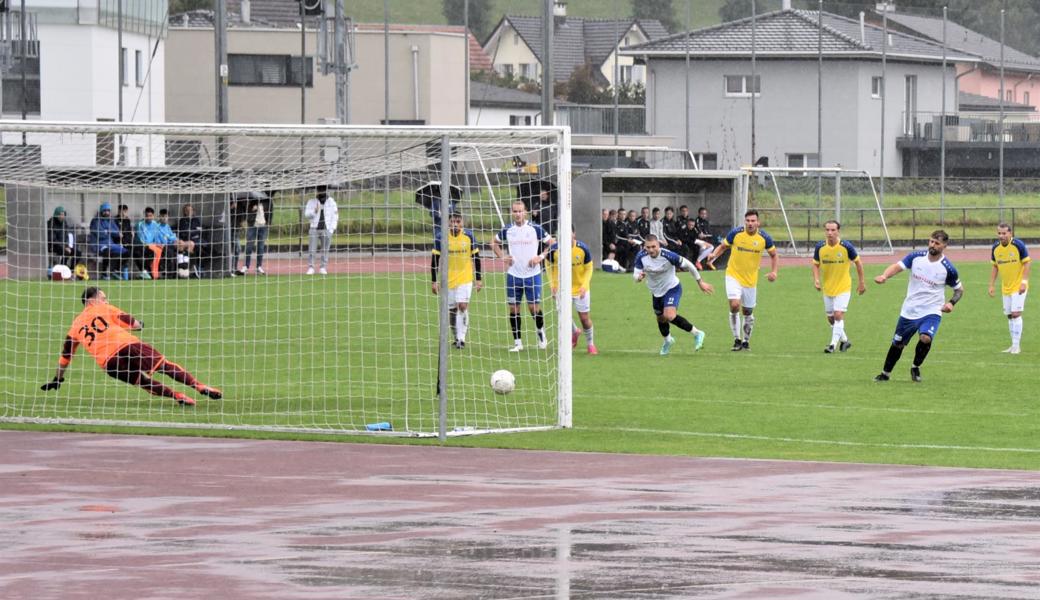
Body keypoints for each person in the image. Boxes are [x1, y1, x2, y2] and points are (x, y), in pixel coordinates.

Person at [40, 287, 222, 406]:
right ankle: (199, 386)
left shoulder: (75, 326)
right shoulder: (104, 308)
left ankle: (177, 396)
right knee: (165, 366)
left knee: (142, 382)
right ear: (92, 301)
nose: (105, 300)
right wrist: (139, 324)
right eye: (103, 298)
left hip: (108, 363)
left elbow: (65, 357)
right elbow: (130, 322)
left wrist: (58, 379)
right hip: (127, 345)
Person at [873, 230, 963, 383]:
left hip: (932, 310)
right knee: (898, 344)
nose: (932, 245)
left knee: (926, 337)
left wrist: (951, 303)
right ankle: (885, 373)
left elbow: (959, 290)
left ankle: (915, 367)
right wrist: (884, 276)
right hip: (910, 310)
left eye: (937, 243)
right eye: (931, 241)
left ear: (944, 246)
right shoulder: (916, 257)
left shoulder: (948, 268)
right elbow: (897, 266)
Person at [706, 209, 778, 352]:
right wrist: (713, 255)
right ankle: (737, 339)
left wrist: (774, 272)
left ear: (758, 222)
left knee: (748, 311)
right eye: (748, 221)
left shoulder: (764, 238)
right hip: (733, 275)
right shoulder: (736, 233)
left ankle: (746, 341)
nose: (750, 223)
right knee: (734, 305)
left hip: (750, 280)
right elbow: (723, 246)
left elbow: (774, 255)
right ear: (744, 221)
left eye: (753, 221)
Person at [633, 235, 714, 355]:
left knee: (669, 315)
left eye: (653, 246)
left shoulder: (669, 256)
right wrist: (638, 278)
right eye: (648, 247)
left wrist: (700, 282)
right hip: (656, 292)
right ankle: (668, 341)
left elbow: (689, 265)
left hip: (672, 288)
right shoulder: (641, 256)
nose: (651, 250)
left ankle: (697, 333)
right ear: (644, 247)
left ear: (658, 245)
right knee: (661, 318)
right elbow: (635, 276)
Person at [491, 200, 554, 352]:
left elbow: (552, 243)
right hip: (514, 275)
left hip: (533, 275)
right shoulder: (508, 229)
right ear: (511, 213)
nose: (518, 214)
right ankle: (518, 343)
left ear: (525, 212)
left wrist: (540, 257)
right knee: (514, 309)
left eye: (520, 211)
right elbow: (493, 243)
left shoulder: (535, 228)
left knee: (533, 308)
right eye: (515, 211)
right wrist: (503, 257)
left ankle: (540, 333)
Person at [812, 220, 866, 353]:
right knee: (831, 319)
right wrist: (817, 280)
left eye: (833, 230)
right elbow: (815, 264)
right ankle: (845, 341)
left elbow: (858, 263)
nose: (830, 233)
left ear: (838, 231)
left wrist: (861, 282)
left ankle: (832, 345)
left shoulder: (846, 246)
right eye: (827, 230)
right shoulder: (820, 247)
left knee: (837, 315)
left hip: (843, 287)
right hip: (828, 288)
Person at [431, 213, 483, 349]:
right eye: (453, 221)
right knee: (452, 311)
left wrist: (478, 279)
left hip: (465, 278)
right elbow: (435, 260)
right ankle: (456, 336)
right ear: (448, 223)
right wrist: (434, 281)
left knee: (462, 306)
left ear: (462, 223)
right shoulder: (441, 237)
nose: (455, 224)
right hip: (447, 279)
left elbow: (476, 258)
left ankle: (462, 338)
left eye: (458, 221)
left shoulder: (469, 236)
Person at [546, 228, 597, 355]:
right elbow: (548, 265)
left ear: (574, 234)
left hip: (580, 289)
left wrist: (584, 285)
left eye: (569, 233)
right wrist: (553, 284)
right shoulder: (554, 249)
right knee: (563, 316)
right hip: (562, 289)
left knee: (584, 319)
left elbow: (589, 268)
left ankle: (590, 344)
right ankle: (574, 331)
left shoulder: (582, 248)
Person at [987, 223, 1030, 354]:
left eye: (1004, 233)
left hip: (1018, 286)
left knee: (1016, 314)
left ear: (1010, 233)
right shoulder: (995, 247)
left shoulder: (1018, 245)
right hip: (1006, 286)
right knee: (1010, 315)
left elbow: (1027, 263)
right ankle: (1013, 345)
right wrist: (991, 284)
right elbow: (995, 266)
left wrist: (1024, 282)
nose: (1002, 236)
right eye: (999, 233)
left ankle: (1017, 346)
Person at [88, 202, 128, 280]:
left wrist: (108, 231)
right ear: (101, 211)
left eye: (108, 211)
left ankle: (115, 270)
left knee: (126, 252)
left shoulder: (111, 220)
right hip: (98, 245)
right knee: (107, 251)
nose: (107, 212)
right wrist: (111, 232)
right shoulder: (95, 221)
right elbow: (101, 234)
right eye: (105, 210)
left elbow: (118, 232)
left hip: (110, 244)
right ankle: (104, 274)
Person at [304, 185, 338, 275]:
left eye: (323, 189)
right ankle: (311, 267)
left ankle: (323, 267)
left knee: (325, 250)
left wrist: (331, 230)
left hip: (326, 229)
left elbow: (335, 217)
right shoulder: (311, 202)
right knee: (312, 249)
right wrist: (314, 211)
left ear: (326, 190)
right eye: (319, 189)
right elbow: (307, 214)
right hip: (314, 228)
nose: (321, 191)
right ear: (317, 190)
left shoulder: (332, 202)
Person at [242, 192, 272, 275]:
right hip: (253, 225)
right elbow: (246, 211)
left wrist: (268, 223)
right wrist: (252, 208)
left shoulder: (268, 201)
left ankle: (259, 267)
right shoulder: (252, 200)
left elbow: (270, 213)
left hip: (263, 226)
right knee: (249, 246)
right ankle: (245, 266)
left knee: (261, 247)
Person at [134, 207, 163, 280]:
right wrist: (151, 245)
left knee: (163, 250)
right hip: (141, 246)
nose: (149, 217)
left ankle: (156, 273)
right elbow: (141, 239)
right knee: (138, 252)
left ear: (153, 216)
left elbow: (157, 237)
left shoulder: (155, 224)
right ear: (144, 216)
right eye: (147, 216)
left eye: (150, 216)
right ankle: (146, 272)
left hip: (152, 246)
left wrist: (159, 244)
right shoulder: (140, 224)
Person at [176, 203, 203, 278]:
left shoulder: (196, 220)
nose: (188, 212)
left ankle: (184, 267)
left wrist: (190, 232)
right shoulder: (182, 220)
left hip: (195, 241)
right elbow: (182, 232)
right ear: (184, 212)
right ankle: (183, 267)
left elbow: (199, 231)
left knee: (191, 244)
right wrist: (191, 232)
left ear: (193, 211)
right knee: (182, 244)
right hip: (185, 241)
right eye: (186, 210)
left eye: (190, 210)